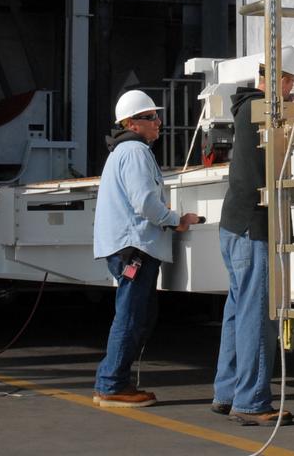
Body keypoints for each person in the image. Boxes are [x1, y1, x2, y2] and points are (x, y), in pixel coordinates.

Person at [212, 48, 294, 427]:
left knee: (236, 311)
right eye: (292, 83)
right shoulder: (263, 112)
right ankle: (251, 402)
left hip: (233, 225)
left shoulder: (246, 108)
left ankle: (227, 391)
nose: (291, 90)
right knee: (257, 315)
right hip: (254, 228)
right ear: (282, 80)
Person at [93, 89, 201, 408]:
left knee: (135, 315)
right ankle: (112, 384)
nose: (159, 122)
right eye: (151, 117)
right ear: (132, 123)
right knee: (132, 316)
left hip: (127, 248)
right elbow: (144, 203)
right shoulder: (136, 152)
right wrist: (176, 219)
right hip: (135, 249)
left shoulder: (122, 153)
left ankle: (114, 381)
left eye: (156, 116)